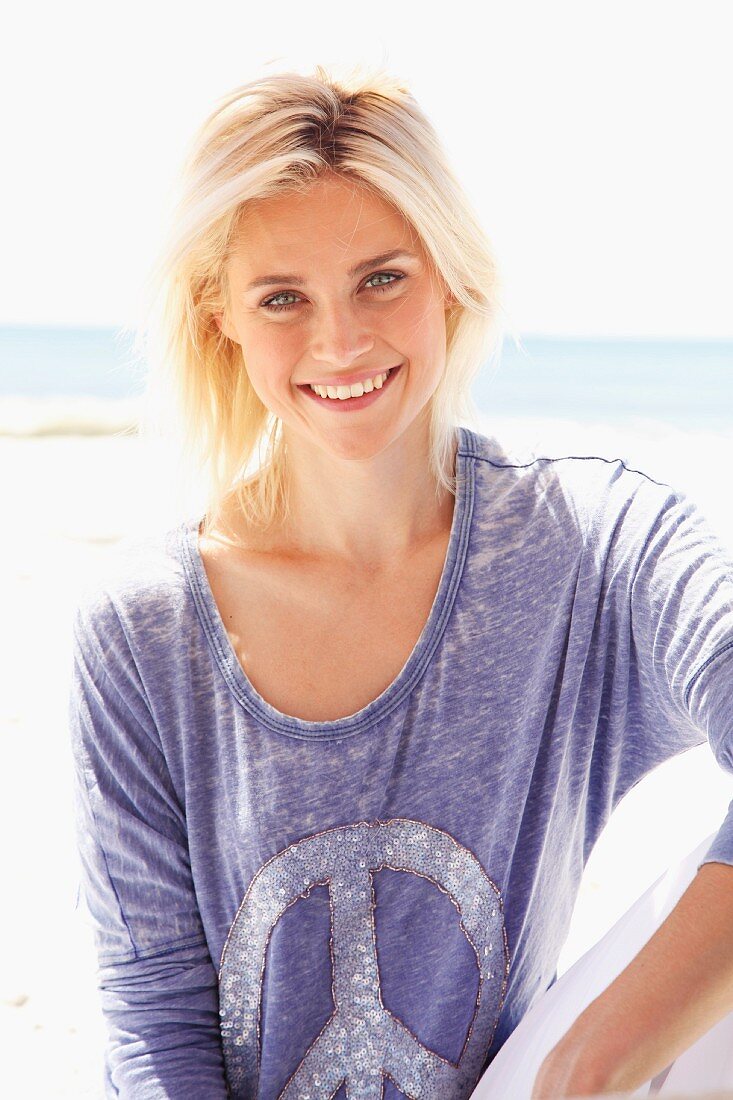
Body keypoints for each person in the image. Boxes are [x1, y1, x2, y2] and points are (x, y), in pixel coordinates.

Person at [68, 65, 733, 1099]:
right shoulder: (142, 631)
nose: (339, 342)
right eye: (282, 297)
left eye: (382, 277)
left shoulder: (593, 545)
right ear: (220, 317)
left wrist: (593, 1059)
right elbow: (153, 1021)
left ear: (450, 276)